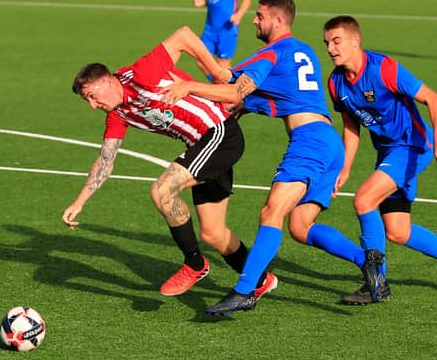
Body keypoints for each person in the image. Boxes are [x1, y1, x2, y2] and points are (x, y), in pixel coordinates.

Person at [162, 0, 380, 316]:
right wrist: (244, 106)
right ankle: (369, 262)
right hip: (328, 141)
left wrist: (190, 85)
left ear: (278, 20)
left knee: (271, 213)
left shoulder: (272, 53)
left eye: (259, 15)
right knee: (300, 227)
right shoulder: (304, 52)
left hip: (309, 142)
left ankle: (245, 290)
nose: (254, 19)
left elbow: (233, 86)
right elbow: (281, 98)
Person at [62, 26, 277, 300]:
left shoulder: (142, 73)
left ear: (107, 81)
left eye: (92, 96)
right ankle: (260, 280)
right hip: (203, 148)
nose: (92, 105)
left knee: (162, 190)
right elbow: (105, 160)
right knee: (213, 233)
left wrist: (218, 73)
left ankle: (195, 264)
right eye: (87, 101)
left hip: (220, 134)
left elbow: (184, 36)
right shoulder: (119, 114)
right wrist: (79, 203)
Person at [323, 15, 437, 304]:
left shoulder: (383, 69)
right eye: (327, 43)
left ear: (355, 41)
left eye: (337, 41)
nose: (331, 49)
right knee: (397, 231)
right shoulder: (336, 83)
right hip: (388, 153)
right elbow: (351, 127)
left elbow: (434, 100)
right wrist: (344, 167)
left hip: (413, 146)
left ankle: (377, 282)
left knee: (363, 200)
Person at [192, 0, 251, 77]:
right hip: (210, 29)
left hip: (227, 29)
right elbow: (215, 1)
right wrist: (204, 2)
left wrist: (239, 15)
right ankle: (220, 88)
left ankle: (229, 91)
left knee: (223, 64)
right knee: (201, 62)